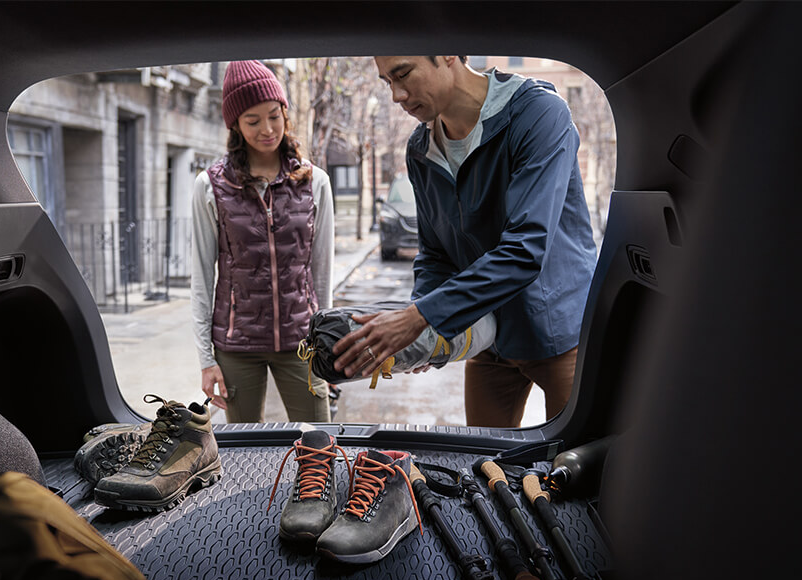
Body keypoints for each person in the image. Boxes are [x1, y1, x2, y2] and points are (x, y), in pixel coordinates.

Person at [333, 56, 597, 427]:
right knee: (484, 467)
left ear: (446, 54)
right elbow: (434, 255)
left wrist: (420, 317)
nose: (395, 94)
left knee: (574, 471)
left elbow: (524, 250)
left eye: (402, 74)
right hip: (488, 335)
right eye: (385, 82)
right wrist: (425, 333)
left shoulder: (539, 115)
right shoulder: (420, 149)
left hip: (560, 335)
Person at [190, 60, 333, 423]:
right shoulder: (210, 186)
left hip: (302, 343)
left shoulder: (315, 181)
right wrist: (207, 360)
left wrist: (326, 343)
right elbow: (202, 276)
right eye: (252, 121)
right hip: (236, 346)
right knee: (242, 447)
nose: (267, 129)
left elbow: (321, 272)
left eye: (274, 115)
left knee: (320, 441)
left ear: (285, 111)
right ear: (235, 125)